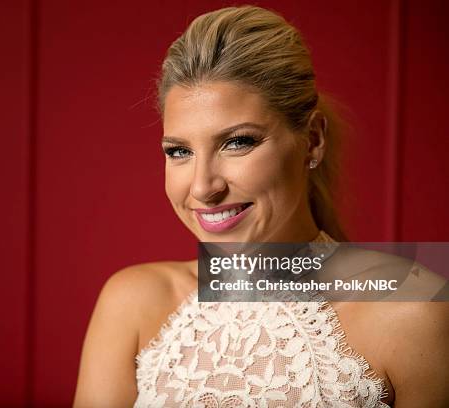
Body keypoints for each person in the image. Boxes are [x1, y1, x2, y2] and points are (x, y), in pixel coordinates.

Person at [73, 5, 449, 407]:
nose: (203, 187)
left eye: (238, 142)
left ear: (313, 140)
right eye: (179, 151)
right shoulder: (132, 303)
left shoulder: (413, 310)